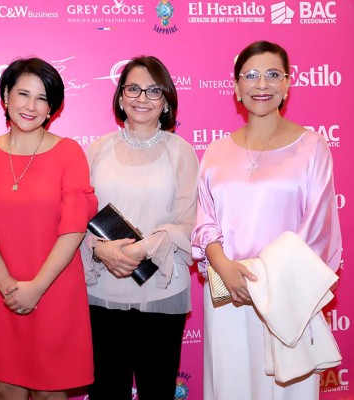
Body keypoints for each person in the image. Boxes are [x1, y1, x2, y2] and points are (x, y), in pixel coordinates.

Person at [191, 40, 342, 400]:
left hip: (287, 297)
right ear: (236, 86)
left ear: (287, 85)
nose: (262, 85)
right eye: (251, 76)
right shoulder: (215, 151)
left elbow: (318, 231)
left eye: (273, 75)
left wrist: (261, 282)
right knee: (231, 386)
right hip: (229, 296)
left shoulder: (312, 147)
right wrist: (224, 267)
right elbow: (204, 221)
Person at [0, 57, 97, 400]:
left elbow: (73, 228)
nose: (30, 106)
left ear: (52, 106)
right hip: (1, 290)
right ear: (6, 96)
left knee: (48, 390)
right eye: (23, 94)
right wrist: (5, 283)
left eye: (42, 98)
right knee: (7, 387)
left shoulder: (69, 152)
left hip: (54, 288)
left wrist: (37, 287)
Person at [81, 55, 199, 400]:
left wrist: (141, 249)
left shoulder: (181, 152)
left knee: (158, 390)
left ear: (166, 101)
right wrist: (99, 248)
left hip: (161, 289)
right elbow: (78, 216)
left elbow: (187, 221)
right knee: (105, 389)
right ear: (120, 97)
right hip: (103, 287)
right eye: (133, 89)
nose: (142, 98)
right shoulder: (97, 150)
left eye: (153, 90)